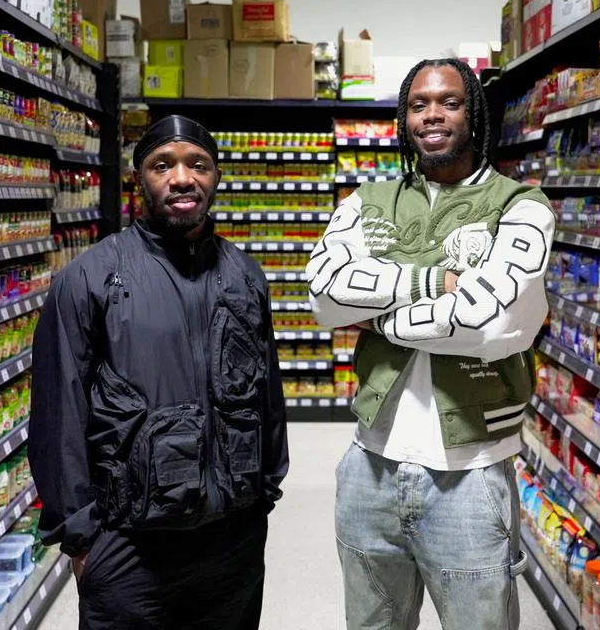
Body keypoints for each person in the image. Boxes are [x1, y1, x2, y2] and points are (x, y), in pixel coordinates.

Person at [307, 59, 554, 630]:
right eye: (419, 105)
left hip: (470, 476)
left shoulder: (520, 205)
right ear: (404, 118)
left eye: (449, 102)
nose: (432, 115)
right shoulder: (368, 203)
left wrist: (382, 320)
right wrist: (431, 281)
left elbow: (492, 326)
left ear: (474, 111)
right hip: (368, 468)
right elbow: (324, 299)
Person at [29, 114, 289, 630]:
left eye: (198, 164)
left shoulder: (244, 274)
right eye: (162, 165)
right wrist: (82, 538)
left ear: (215, 176)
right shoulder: (90, 278)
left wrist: (264, 492)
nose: (182, 178)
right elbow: (60, 412)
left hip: (231, 538)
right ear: (139, 179)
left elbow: (267, 395)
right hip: (130, 546)